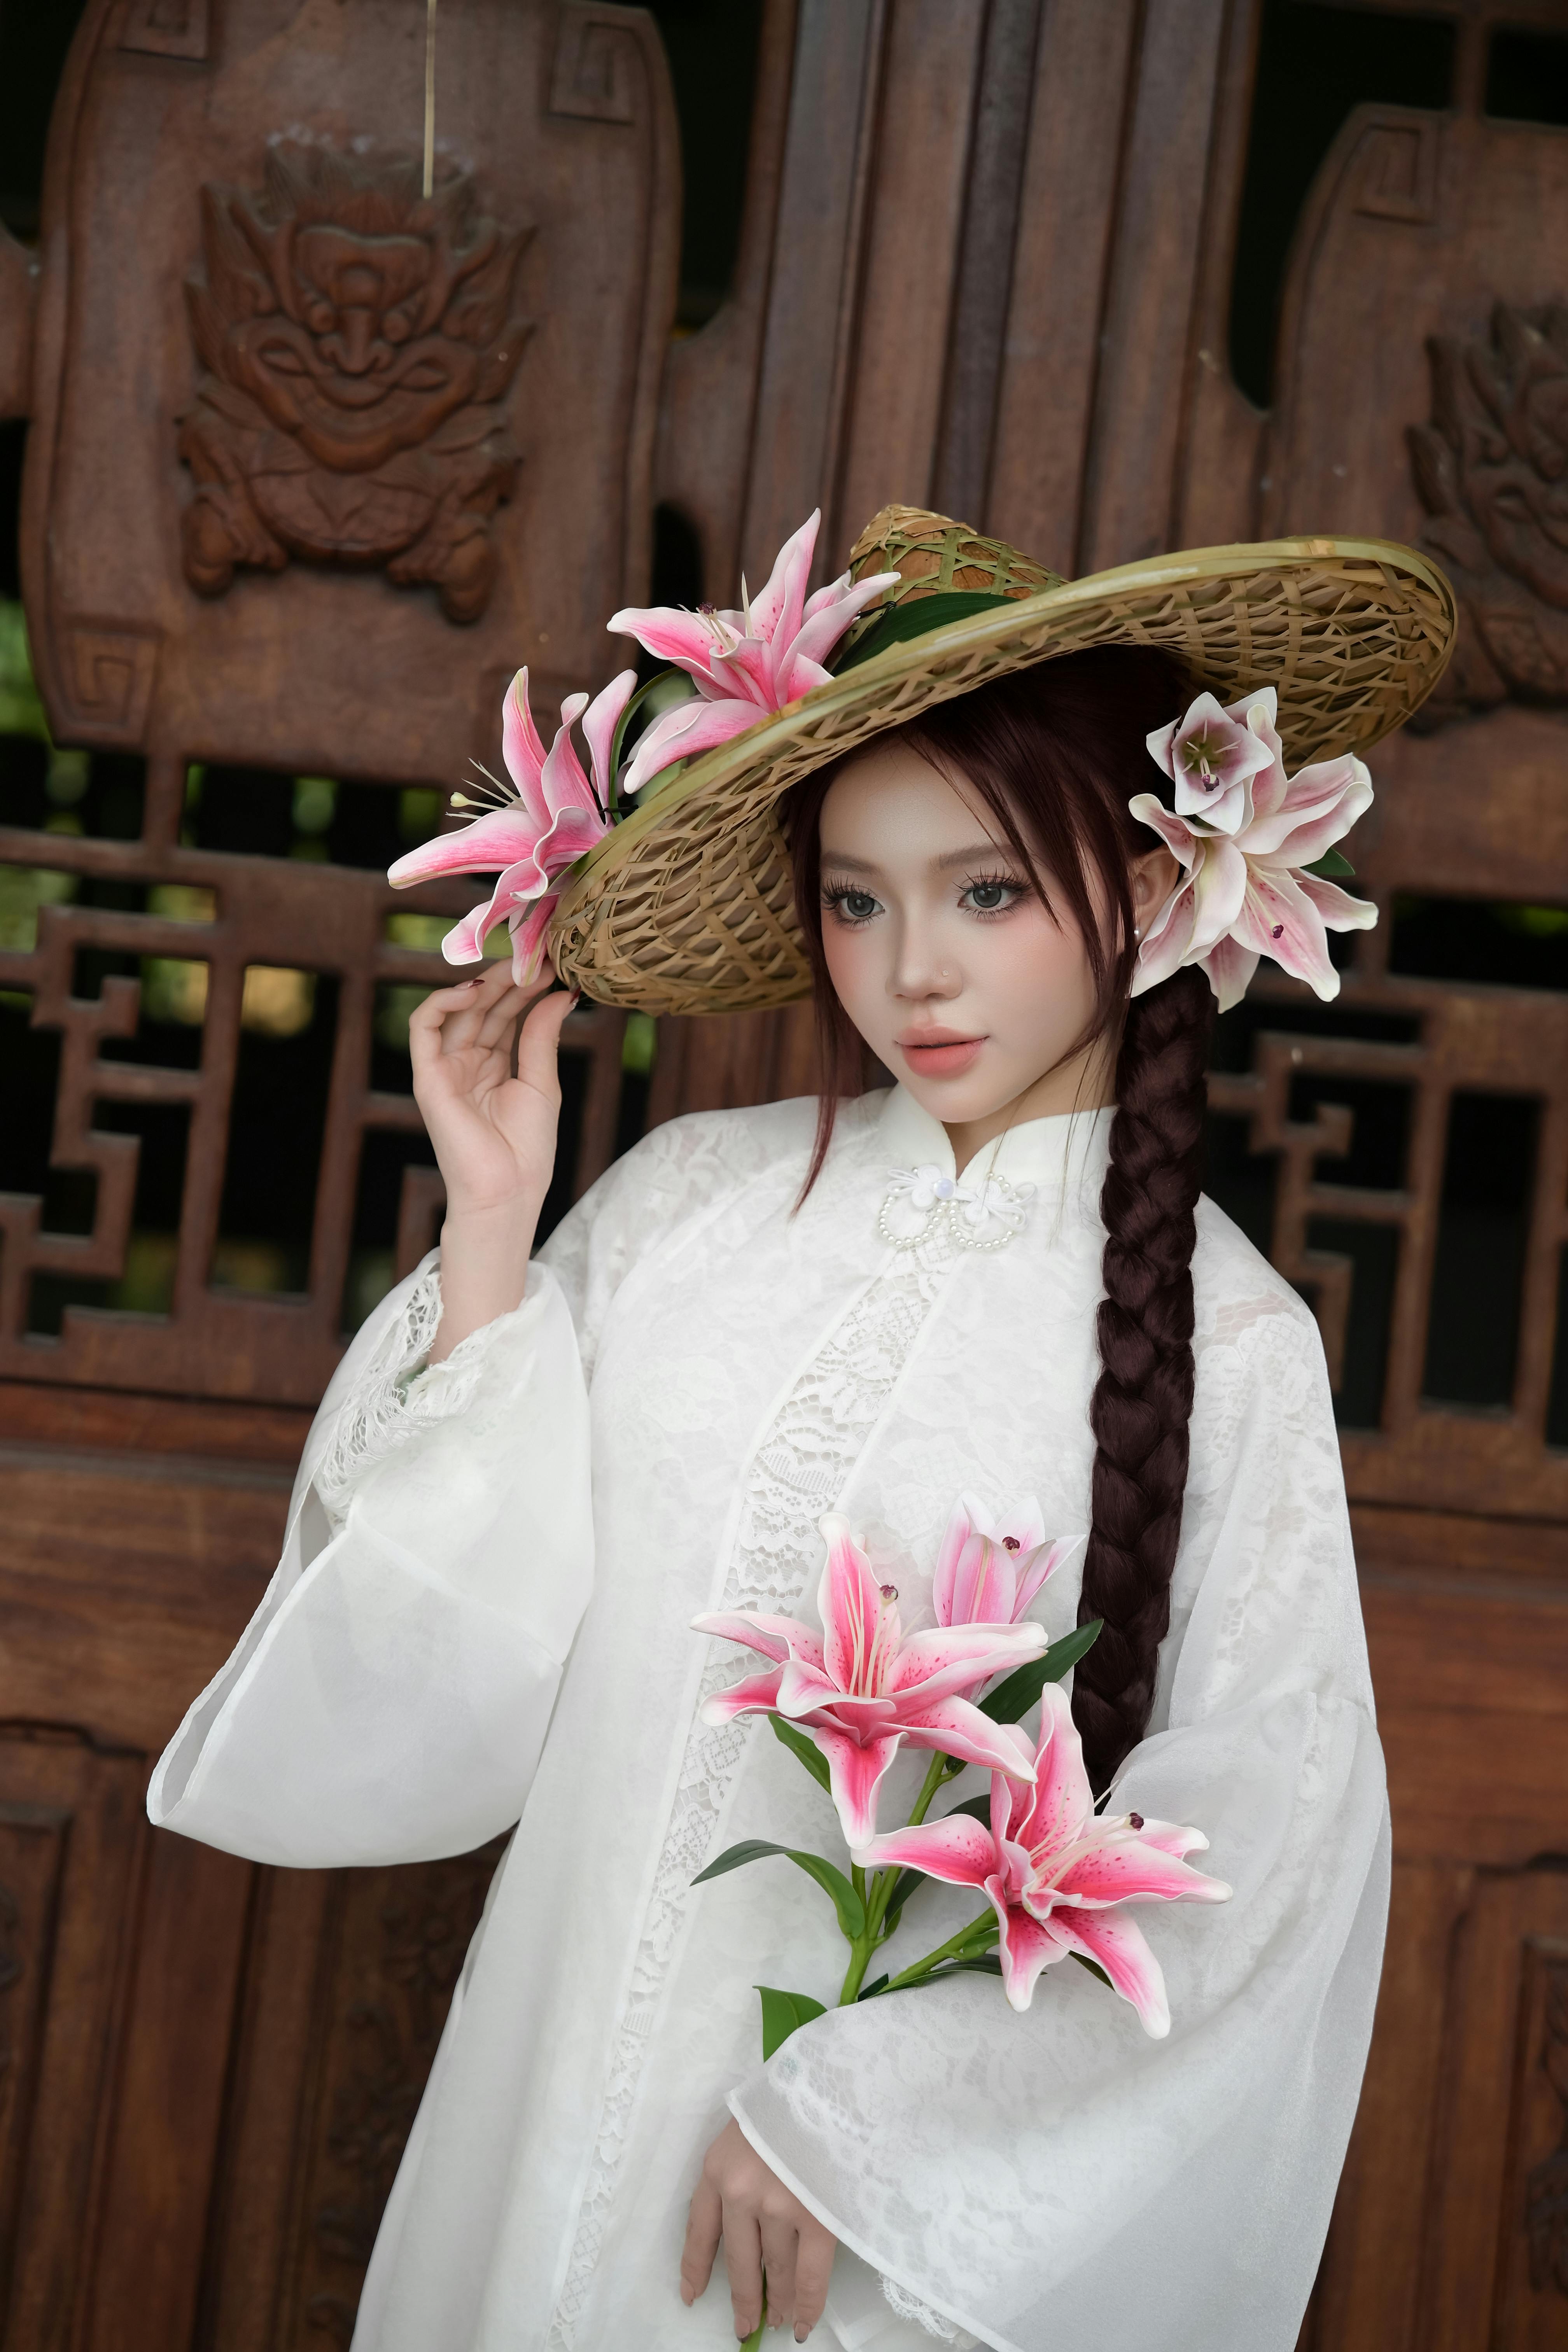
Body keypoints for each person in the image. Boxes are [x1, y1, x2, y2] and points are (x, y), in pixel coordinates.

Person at [148, 506, 1455, 2352]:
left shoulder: (1230, 1342)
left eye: (987, 891)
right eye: (858, 897)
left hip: (851, 2233)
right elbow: (451, 1678)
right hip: (545, 2131)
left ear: (1153, 883)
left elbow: (1264, 1845)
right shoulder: (686, 1209)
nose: (912, 967)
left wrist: (863, 2126)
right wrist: (497, 1228)